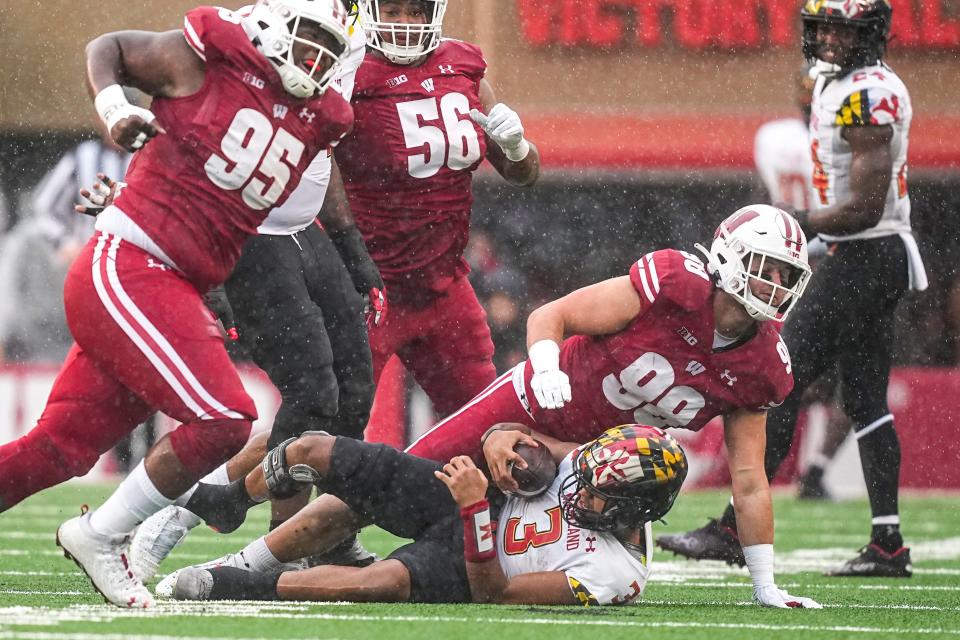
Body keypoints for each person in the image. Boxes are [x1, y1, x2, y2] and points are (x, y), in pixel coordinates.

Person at [165, 205, 822, 609]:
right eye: (766, 268)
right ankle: (245, 557)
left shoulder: (762, 365)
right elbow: (556, 314)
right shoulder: (675, 281)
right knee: (381, 485)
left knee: (551, 545)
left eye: (787, 277)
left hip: (591, 462)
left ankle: (270, 553)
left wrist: (763, 582)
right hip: (536, 401)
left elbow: (748, 476)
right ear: (732, 259)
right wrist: (541, 366)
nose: (775, 286)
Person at [0, 0, 355, 608]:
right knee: (224, 416)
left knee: (61, 447)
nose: (315, 60)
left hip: (177, 278)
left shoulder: (323, 114)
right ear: (270, 30)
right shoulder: (210, 57)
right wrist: (115, 110)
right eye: (306, 42)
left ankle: (100, 533)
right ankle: (100, 534)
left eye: (329, 49)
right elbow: (108, 48)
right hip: (132, 262)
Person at [76, 8, 381, 582]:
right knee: (311, 392)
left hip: (304, 229)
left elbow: (318, 150)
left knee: (354, 394)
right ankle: (238, 517)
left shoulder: (348, 40)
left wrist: (349, 243)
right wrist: (132, 170)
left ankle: (254, 513)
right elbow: (195, 113)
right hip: (246, 234)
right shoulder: (259, 25)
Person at [658, 0, 925, 578]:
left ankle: (733, 528)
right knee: (866, 401)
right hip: (873, 255)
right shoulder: (846, 84)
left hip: (867, 253)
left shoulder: (868, 92)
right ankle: (887, 544)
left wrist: (799, 221)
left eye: (840, 28)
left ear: (868, 33)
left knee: (776, 377)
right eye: (821, 27)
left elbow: (865, 206)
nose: (827, 38)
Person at [161, 424, 693, 606]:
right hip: (469, 495)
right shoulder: (590, 464)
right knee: (313, 452)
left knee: (380, 582)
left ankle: (236, 583)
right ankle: (230, 504)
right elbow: (515, 436)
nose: (580, 486)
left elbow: (495, 595)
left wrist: (475, 512)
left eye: (598, 492)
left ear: (634, 508)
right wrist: (502, 444)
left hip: (472, 558)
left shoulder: (614, 575)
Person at [338, 0, 540, 423]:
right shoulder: (347, 74)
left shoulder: (462, 67)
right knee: (330, 430)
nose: (405, 24)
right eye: (392, 11)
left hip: (444, 286)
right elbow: (318, 175)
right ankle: (236, 490)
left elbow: (522, 173)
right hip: (370, 289)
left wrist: (518, 145)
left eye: (415, 11)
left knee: (486, 427)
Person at [753, 65, 851, 501]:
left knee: (783, 375)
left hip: (782, 263)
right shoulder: (840, 142)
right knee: (849, 378)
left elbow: (771, 194)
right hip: (832, 259)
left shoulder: (771, 138)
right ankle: (813, 469)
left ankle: (762, 475)